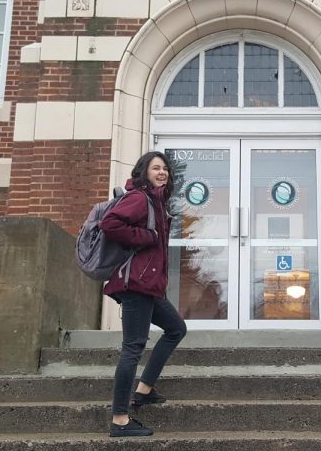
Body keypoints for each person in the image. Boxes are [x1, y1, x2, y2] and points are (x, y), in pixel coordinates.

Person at [100, 151, 187, 437]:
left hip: (149, 285)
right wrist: (147, 237)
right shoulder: (139, 198)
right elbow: (110, 223)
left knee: (176, 329)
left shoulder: (157, 202)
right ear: (144, 172)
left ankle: (144, 389)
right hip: (136, 284)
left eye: (165, 169)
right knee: (132, 348)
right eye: (156, 168)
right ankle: (120, 419)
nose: (162, 172)